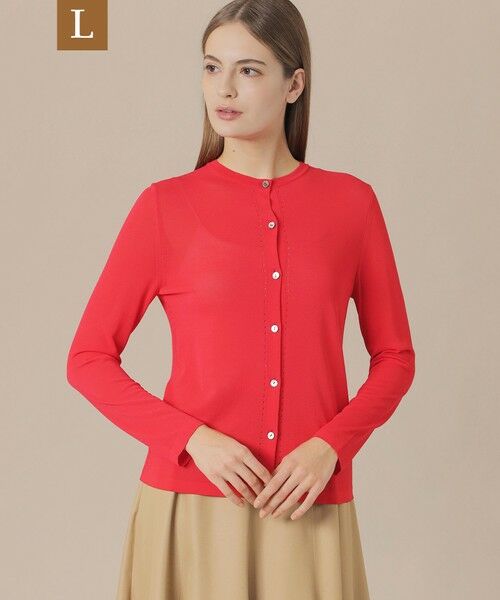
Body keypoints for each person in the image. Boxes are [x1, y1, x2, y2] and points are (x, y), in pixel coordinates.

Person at [66, 1, 416, 598]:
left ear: (294, 85)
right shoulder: (165, 207)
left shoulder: (352, 205)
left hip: (308, 502)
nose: (223, 88)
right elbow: (88, 359)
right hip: (190, 505)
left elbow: (396, 359)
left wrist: (330, 448)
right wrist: (192, 439)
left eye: (248, 70)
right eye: (211, 67)